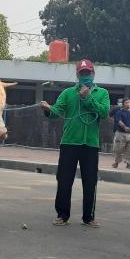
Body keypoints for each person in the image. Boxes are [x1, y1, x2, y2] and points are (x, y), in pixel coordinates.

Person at [40, 59, 110, 228]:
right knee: (64, 179)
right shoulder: (68, 93)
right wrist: (48, 109)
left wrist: (87, 98)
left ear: (93, 74)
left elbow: (104, 112)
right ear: (77, 75)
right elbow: (57, 111)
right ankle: (62, 215)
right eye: (82, 73)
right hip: (70, 142)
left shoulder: (102, 93)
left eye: (88, 73)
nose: (85, 76)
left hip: (90, 144)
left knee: (90, 180)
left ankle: (88, 217)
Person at [112, 98, 130, 169]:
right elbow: (119, 121)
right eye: (127, 102)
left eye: (129, 102)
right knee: (118, 149)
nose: (128, 104)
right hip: (120, 133)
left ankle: (129, 163)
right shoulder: (120, 112)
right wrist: (124, 127)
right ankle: (116, 162)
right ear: (123, 104)